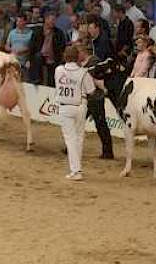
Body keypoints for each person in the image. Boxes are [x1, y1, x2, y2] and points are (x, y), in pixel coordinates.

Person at [55, 45, 98, 181]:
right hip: (80, 106)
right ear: (77, 57)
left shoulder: (59, 70)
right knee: (78, 138)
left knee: (70, 139)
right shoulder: (84, 72)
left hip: (65, 106)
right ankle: (77, 168)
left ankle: (76, 170)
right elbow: (91, 91)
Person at [78, 44, 114, 159]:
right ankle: (71, 146)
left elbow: (98, 79)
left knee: (100, 124)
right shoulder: (79, 64)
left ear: (83, 52)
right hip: (85, 98)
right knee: (77, 122)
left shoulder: (95, 62)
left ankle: (108, 151)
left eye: (78, 53)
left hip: (95, 98)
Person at [30, 11, 67, 87]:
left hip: (53, 57)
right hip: (41, 56)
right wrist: (28, 59)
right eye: (52, 20)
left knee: (54, 69)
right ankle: (37, 80)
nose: (54, 22)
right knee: (37, 57)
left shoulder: (59, 33)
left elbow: (62, 47)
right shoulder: (37, 32)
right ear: (46, 20)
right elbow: (32, 47)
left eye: (54, 20)